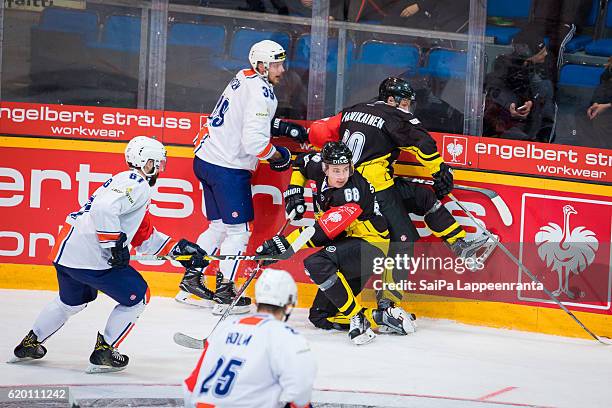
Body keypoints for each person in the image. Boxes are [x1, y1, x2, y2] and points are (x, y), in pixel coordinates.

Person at [10, 136, 208, 373]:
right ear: (146, 162)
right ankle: (105, 349)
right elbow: (104, 210)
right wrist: (113, 244)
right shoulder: (137, 182)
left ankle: (30, 343)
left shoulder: (123, 182)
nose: (160, 169)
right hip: (91, 257)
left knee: (70, 302)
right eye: (157, 163)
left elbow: (141, 235)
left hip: (67, 253)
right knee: (138, 296)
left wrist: (180, 251)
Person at [304, 77, 495, 274]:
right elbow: (423, 143)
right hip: (374, 189)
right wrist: (440, 171)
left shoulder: (352, 110)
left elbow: (318, 133)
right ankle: (387, 303)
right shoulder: (393, 115)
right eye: (404, 103)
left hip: (351, 186)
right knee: (402, 243)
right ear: (391, 100)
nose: (407, 108)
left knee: (423, 197)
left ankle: (461, 247)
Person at [178, 40, 299, 315]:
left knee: (218, 227)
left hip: (206, 159)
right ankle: (225, 290)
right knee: (239, 231)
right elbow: (255, 144)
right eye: (276, 65)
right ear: (261, 66)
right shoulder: (262, 94)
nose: (282, 69)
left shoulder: (242, 77)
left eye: (282, 63)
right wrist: (279, 156)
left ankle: (191, 280)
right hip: (227, 168)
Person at [257, 142, 417, 345]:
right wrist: (295, 191)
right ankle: (379, 317)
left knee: (316, 264)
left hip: (371, 248)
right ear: (325, 168)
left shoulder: (351, 193)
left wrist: (285, 244)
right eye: (336, 170)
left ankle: (357, 317)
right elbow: (300, 163)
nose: (341, 175)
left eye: (345, 169)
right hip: (348, 245)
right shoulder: (317, 165)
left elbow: (322, 233)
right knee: (320, 317)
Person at [183, 268, 316, 408]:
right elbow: (300, 396)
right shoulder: (288, 337)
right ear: (289, 306)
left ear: (256, 302)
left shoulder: (224, 328)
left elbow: (190, 386)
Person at [483, 28, 556, 142]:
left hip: (531, 124)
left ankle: (542, 142)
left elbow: (542, 103)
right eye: (541, 53)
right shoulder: (503, 69)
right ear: (526, 54)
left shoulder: (544, 68)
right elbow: (493, 95)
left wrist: (531, 104)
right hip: (503, 127)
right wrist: (511, 107)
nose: (545, 54)